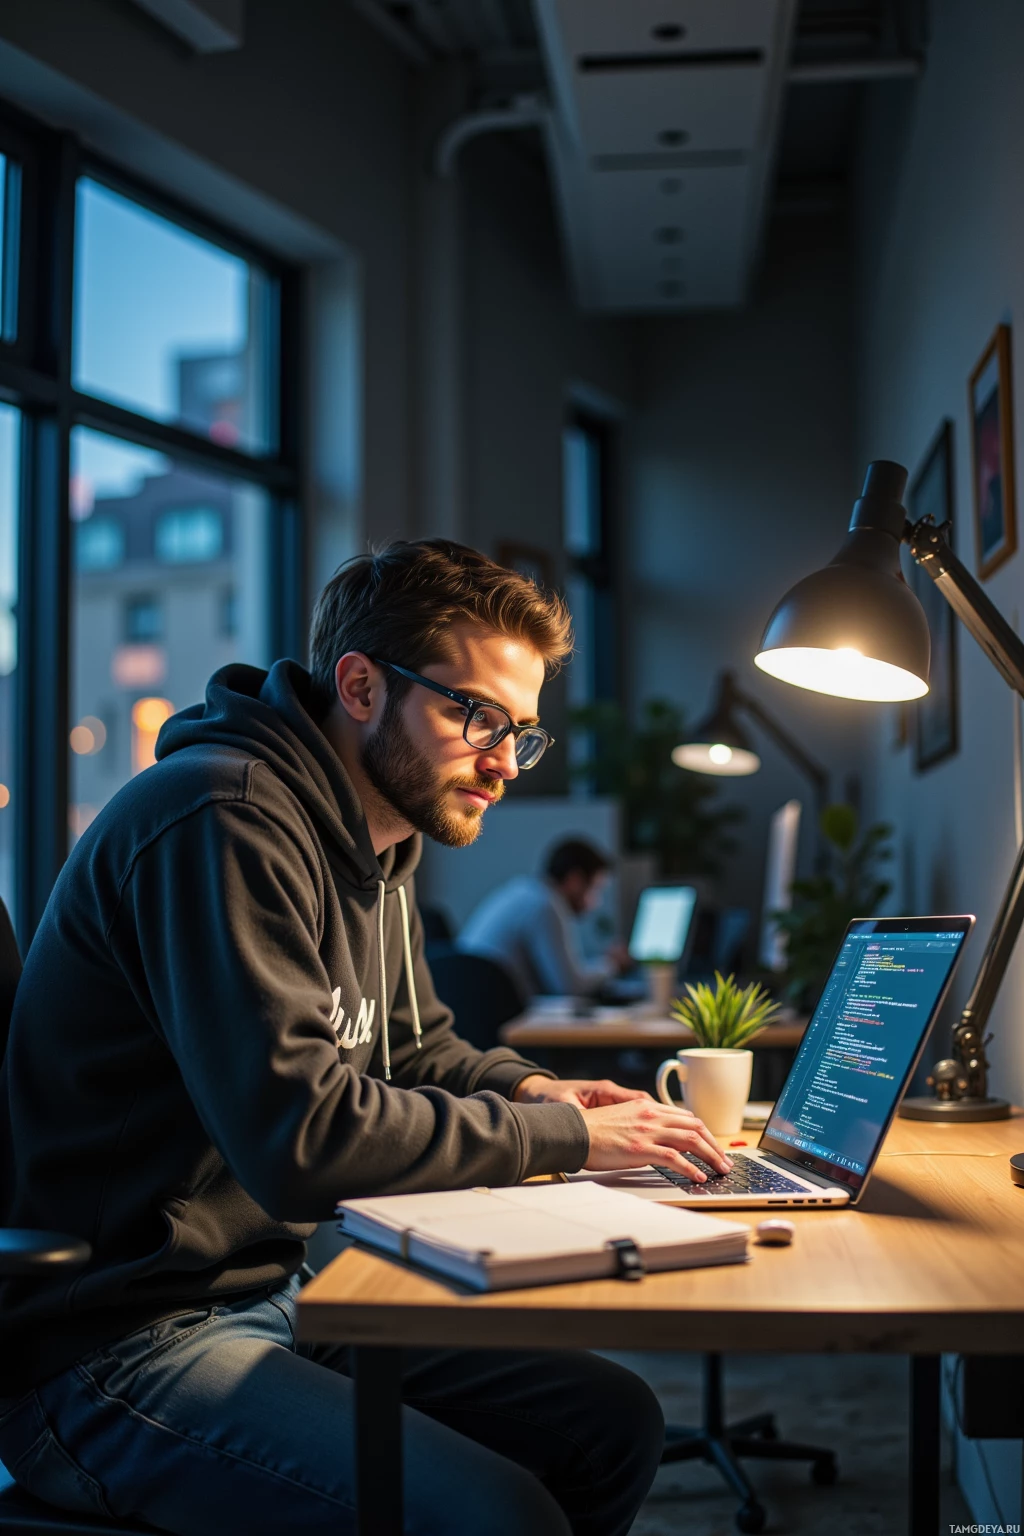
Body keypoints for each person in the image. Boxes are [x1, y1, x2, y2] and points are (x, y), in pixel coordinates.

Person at [0, 540, 732, 1536]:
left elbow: (415, 1047)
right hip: (115, 1344)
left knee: (609, 1423)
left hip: (278, 1293)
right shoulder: (222, 818)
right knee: (500, 1517)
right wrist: (567, 1146)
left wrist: (540, 1095)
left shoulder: (377, 833)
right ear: (358, 686)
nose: (504, 761)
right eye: (476, 716)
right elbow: (303, 1147)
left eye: (521, 729)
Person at [459, 838, 631, 1000]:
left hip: (475, 1007)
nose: (596, 902)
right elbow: (569, 987)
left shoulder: (523, 891)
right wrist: (613, 965)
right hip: (502, 1016)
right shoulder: (545, 905)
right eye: (595, 889)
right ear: (575, 880)